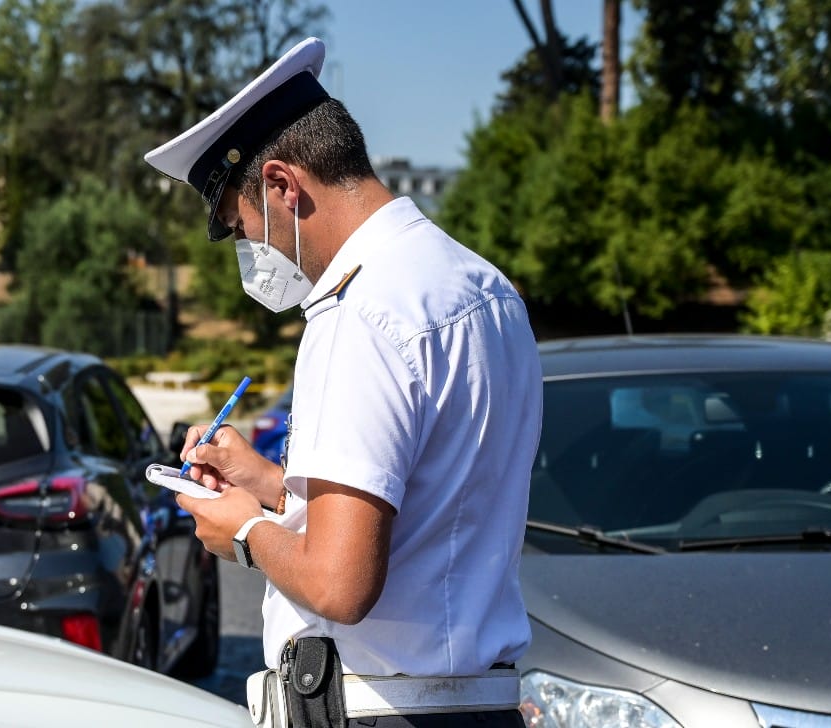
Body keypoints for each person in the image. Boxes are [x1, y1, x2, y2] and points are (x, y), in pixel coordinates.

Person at [144, 37, 541, 727]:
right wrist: (273, 486)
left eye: (247, 230)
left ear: (281, 185)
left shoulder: (359, 312)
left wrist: (243, 533)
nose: (257, 256)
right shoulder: (484, 288)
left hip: (381, 709)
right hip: (477, 700)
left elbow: (340, 582)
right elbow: (435, 502)